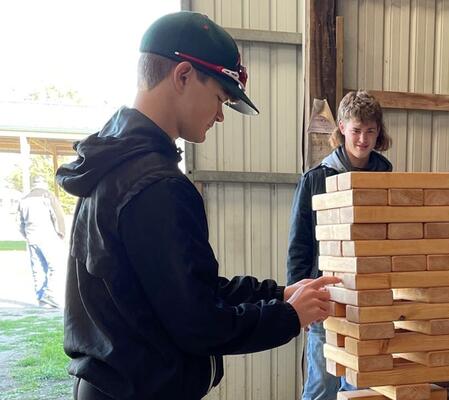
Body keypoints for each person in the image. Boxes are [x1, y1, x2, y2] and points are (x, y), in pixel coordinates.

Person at [55, 11, 339, 400]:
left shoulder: (115, 162)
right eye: (220, 97)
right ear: (184, 75)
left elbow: (190, 290)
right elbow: (198, 324)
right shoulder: (155, 185)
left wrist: (281, 294)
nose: (220, 115)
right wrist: (288, 317)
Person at [287, 91, 393, 400]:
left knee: (359, 388)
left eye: (370, 131)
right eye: (357, 129)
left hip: (368, 300)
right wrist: (297, 295)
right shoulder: (316, 178)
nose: (363, 138)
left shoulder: (385, 176)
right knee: (322, 387)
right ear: (343, 127)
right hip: (327, 297)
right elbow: (300, 243)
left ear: (378, 133)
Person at [18, 176, 65, 308]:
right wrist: (61, 233)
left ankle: (41, 299)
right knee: (55, 266)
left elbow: (19, 223)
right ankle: (49, 294)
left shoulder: (24, 199)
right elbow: (58, 216)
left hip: (31, 237)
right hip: (48, 235)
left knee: (37, 267)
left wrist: (26, 235)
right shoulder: (47, 196)